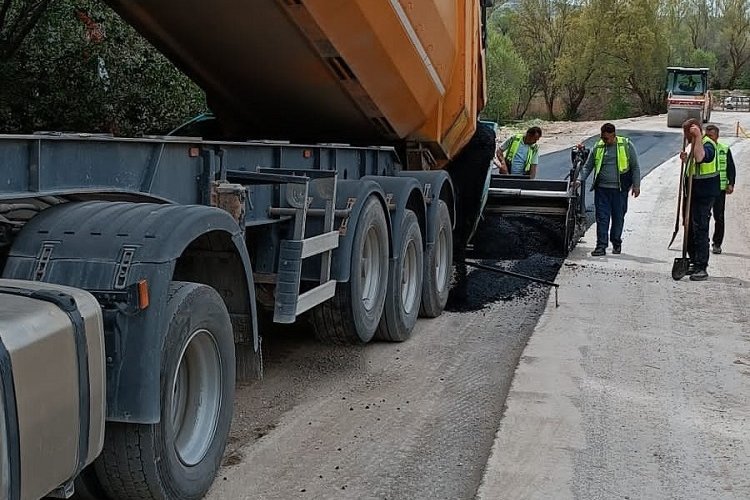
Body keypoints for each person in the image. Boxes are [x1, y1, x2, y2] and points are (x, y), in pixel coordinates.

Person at [579, 123, 640, 256]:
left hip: (619, 190)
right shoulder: (598, 146)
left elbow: (635, 166)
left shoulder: (626, 145)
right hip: (602, 190)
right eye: (602, 137)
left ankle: (616, 242)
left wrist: (636, 185)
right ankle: (601, 246)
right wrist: (579, 180)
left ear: (613, 135)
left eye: (606, 138)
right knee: (602, 217)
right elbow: (588, 166)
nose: (604, 140)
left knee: (618, 218)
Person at [680, 118, 720, 281]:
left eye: (687, 133)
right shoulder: (695, 143)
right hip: (691, 194)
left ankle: (701, 266)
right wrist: (685, 158)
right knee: (688, 227)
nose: (686, 137)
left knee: (700, 229)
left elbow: (701, 158)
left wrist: (697, 138)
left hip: (704, 194)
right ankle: (693, 260)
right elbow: (693, 162)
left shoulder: (708, 144)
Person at [703, 125, 736, 254]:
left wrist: (731, 183)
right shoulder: (704, 148)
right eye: (706, 135)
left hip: (720, 189)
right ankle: (703, 242)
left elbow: (731, 168)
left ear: (717, 136)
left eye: (711, 136)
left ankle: (717, 243)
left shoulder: (724, 149)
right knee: (704, 217)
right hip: (706, 189)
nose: (708, 138)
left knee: (719, 217)